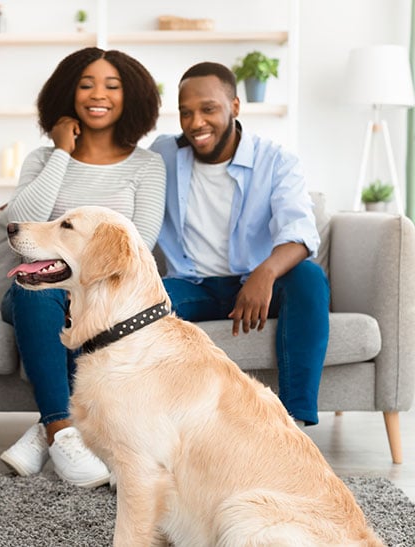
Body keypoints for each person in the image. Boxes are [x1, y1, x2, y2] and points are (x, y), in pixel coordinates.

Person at [0, 47, 166, 488]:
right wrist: (61, 152)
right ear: (68, 93)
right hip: (37, 288)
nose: (99, 95)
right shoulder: (41, 158)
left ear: (130, 97)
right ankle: (61, 430)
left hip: (105, 295)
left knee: (84, 306)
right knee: (37, 293)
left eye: (112, 86)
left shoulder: (148, 166)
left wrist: (82, 279)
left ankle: (50, 430)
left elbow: (138, 245)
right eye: (87, 84)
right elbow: (18, 219)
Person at [149, 61, 329, 427]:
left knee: (308, 279)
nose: (196, 122)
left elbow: (301, 234)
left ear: (234, 106)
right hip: (192, 285)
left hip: (257, 285)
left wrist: (265, 273)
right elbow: (115, 175)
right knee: (141, 306)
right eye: (186, 113)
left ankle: (293, 425)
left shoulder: (276, 161)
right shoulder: (163, 154)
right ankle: (152, 431)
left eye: (208, 109)